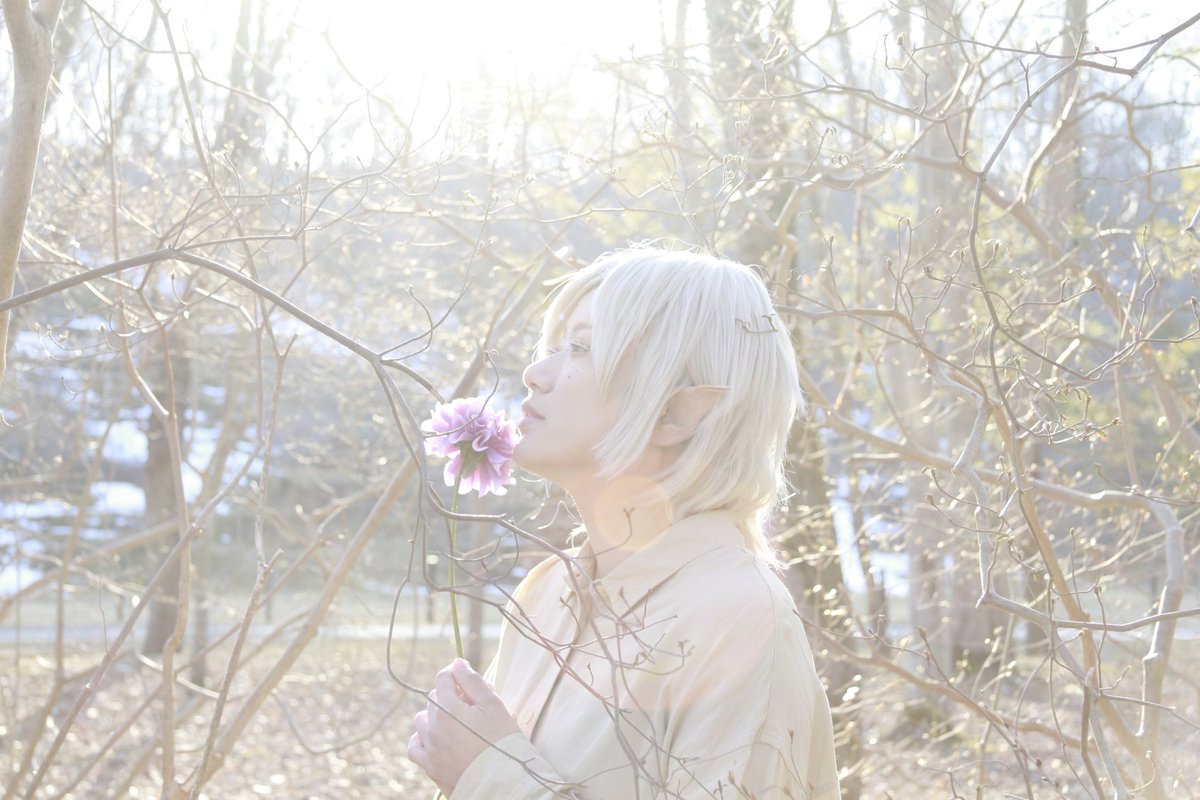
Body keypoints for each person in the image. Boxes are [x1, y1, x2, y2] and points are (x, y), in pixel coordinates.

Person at [407, 247, 840, 799]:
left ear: (674, 413)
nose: (535, 374)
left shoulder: (741, 619)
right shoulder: (546, 593)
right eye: (554, 347)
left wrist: (488, 775)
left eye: (581, 347)